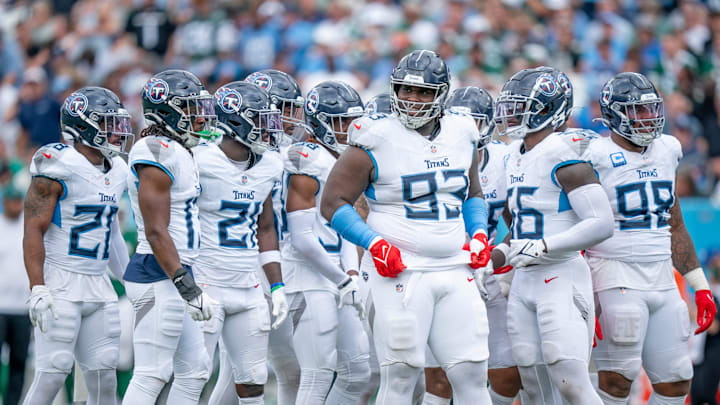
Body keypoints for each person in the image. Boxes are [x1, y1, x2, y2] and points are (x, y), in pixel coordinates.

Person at [321, 50, 494, 405]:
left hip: (453, 266)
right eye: (404, 90)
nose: (412, 100)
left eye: (423, 93)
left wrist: (478, 233)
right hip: (398, 271)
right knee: (401, 372)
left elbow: (473, 193)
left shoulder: (463, 132)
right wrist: (373, 243)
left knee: (473, 373)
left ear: (441, 94)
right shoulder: (374, 136)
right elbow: (333, 202)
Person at [587, 72, 717, 404]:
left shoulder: (667, 149)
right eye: (637, 111)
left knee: (676, 380)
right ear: (614, 114)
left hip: (662, 276)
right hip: (615, 273)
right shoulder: (594, 155)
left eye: (650, 110)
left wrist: (700, 285)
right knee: (617, 381)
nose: (647, 119)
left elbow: (674, 223)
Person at [491, 67, 614, 405]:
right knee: (533, 386)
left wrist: (546, 246)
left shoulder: (564, 149)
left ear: (548, 109)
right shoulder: (515, 154)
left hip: (561, 274)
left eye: (521, 106)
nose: (511, 114)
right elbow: (522, 229)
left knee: (572, 382)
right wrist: (491, 259)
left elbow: (602, 222)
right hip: (524, 281)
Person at [22, 87, 133, 405]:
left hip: (99, 284)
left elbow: (111, 234)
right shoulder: (57, 163)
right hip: (61, 282)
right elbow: (33, 229)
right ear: (84, 126)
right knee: (52, 372)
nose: (117, 132)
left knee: (104, 378)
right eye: (108, 124)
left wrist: (130, 282)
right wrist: (38, 287)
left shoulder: (119, 170)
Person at [122, 70, 217, 405]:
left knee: (195, 370)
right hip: (157, 271)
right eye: (191, 108)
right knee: (152, 372)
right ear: (168, 111)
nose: (200, 116)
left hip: (173, 271)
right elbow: (155, 230)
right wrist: (185, 284)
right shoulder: (155, 150)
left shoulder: (178, 149)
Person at [195, 80, 288, 405]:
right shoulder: (198, 160)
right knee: (192, 377)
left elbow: (265, 227)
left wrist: (276, 286)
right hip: (205, 281)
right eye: (261, 121)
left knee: (252, 380)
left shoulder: (270, 165)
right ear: (236, 120)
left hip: (246, 284)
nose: (269, 130)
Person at [285, 80, 370, 404]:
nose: (350, 128)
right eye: (342, 121)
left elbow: (343, 225)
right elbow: (303, 237)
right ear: (320, 121)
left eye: (353, 120)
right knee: (316, 373)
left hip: (335, 274)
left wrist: (351, 274)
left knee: (358, 372)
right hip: (307, 276)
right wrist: (341, 279)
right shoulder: (307, 158)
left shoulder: (345, 159)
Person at [0, 182, 31, 405]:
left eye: (18, 201)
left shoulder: (28, 228)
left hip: (22, 307)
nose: (15, 205)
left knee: (19, 362)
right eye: (11, 201)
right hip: (0, 307)